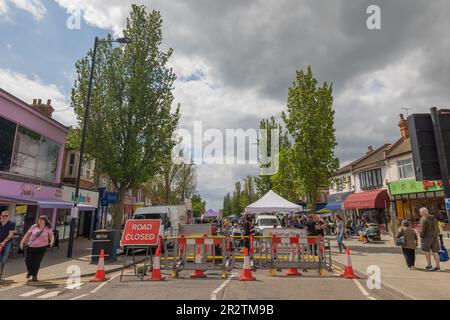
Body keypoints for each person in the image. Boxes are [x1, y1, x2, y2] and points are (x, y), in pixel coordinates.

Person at [20, 215, 54, 282]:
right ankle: (30, 271)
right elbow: (27, 234)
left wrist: (52, 242)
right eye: (39, 219)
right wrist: (22, 242)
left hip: (41, 247)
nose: (40, 221)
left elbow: (51, 236)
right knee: (27, 260)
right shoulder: (34, 226)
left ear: (45, 221)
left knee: (36, 262)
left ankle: (34, 276)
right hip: (31, 246)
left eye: (42, 220)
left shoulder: (48, 228)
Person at [419, 207, 440, 272]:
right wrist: (437, 236)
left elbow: (422, 230)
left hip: (426, 238)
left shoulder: (423, 219)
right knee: (435, 252)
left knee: (426, 251)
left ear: (423, 212)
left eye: (421, 212)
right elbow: (437, 228)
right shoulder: (434, 218)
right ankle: (437, 267)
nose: (420, 214)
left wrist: (420, 235)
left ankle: (429, 265)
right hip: (435, 237)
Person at [0, 211, 16, 279]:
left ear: (8, 217)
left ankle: (1, 270)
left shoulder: (11, 223)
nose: (5, 217)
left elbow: (10, 235)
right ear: (0, 216)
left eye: (6, 216)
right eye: (3, 216)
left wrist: (4, 242)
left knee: (5, 256)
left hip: (7, 242)